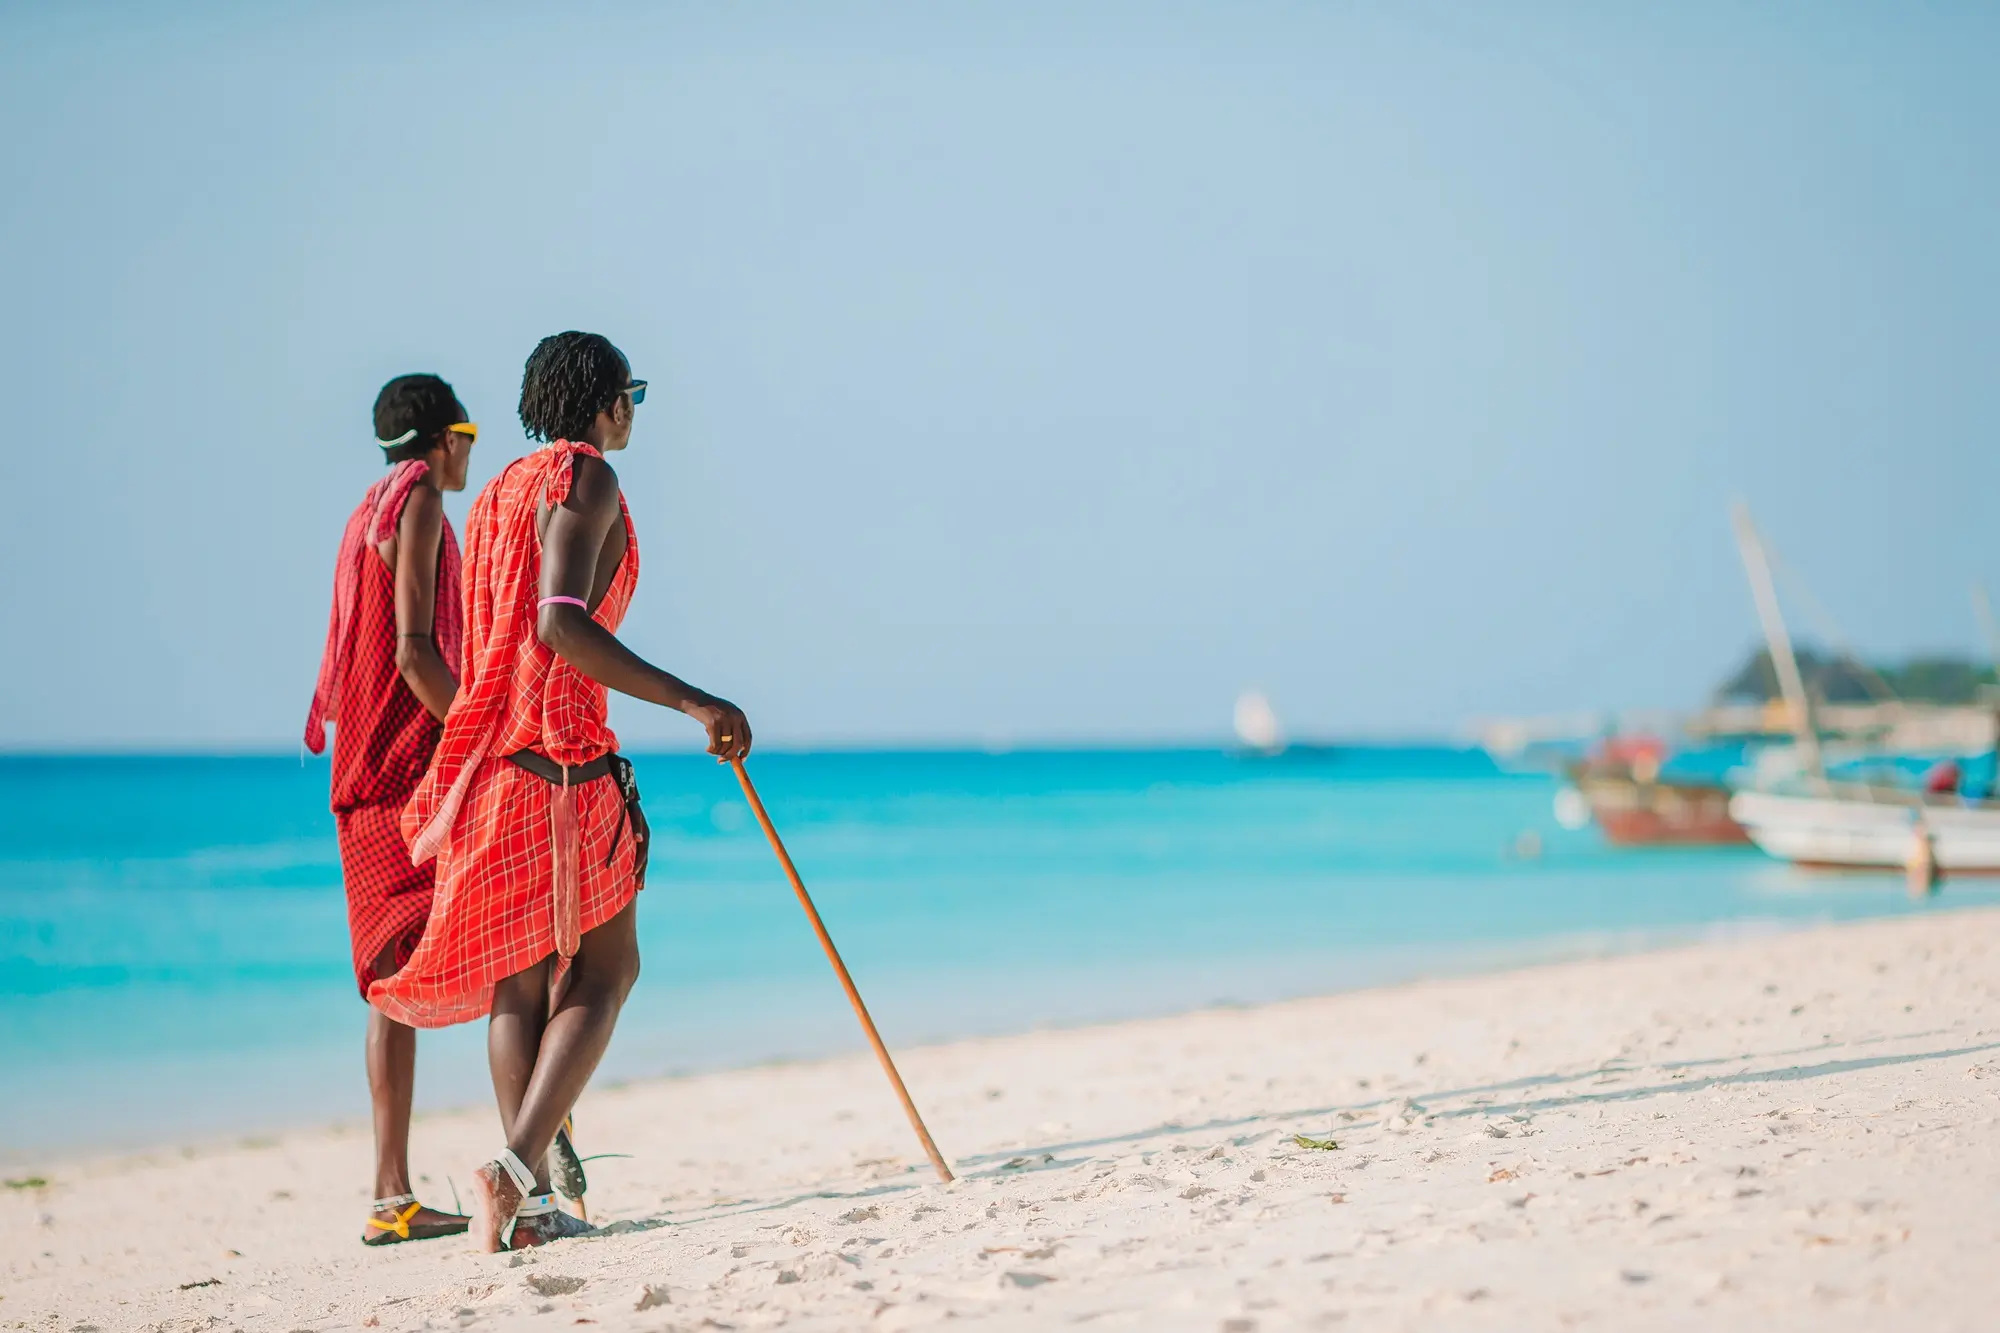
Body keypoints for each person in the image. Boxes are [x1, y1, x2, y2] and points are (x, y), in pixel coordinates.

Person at [375, 332, 752, 1251]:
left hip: (492, 762)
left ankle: (535, 1203)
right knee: (607, 968)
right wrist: (695, 700)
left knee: (518, 986)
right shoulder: (586, 479)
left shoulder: (501, 487)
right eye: (634, 394)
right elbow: (561, 625)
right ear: (607, 402)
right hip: (560, 760)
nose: (634, 412)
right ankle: (514, 1170)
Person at [303, 373, 476, 1245]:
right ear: (442, 440)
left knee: (389, 982)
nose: (471, 455)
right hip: (406, 771)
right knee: (513, 934)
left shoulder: (368, 504)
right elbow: (414, 653)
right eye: (468, 433)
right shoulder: (415, 507)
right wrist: (483, 727)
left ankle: (390, 1196)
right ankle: (539, 1152)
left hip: (364, 769)